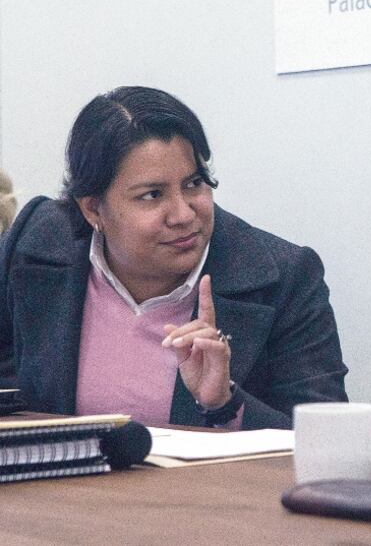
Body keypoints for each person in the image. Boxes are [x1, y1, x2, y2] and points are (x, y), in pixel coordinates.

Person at [0, 86, 348, 429]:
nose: (183, 214)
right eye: (152, 195)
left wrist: (225, 404)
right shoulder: (35, 243)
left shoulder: (284, 277)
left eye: (194, 183)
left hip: (212, 487)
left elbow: (327, 440)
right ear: (93, 209)